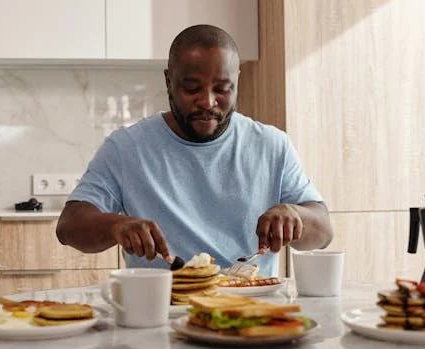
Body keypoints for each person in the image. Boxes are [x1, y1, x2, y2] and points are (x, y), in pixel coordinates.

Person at [56, 24, 332, 276]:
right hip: (163, 310)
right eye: (192, 89)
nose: (208, 102)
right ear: (168, 81)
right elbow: (69, 227)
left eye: (222, 89)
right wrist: (115, 226)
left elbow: (324, 233)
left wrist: (295, 216)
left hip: (253, 310)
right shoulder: (126, 148)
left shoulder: (272, 145)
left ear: (237, 81)